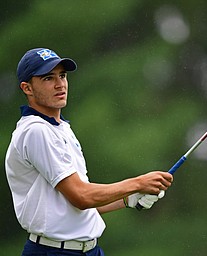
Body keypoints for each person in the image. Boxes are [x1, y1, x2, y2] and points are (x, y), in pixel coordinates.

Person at [5, 48, 173, 256]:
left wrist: (129, 198)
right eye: (48, 78)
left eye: (62, 76)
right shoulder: (36, 131)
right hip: (53, 252)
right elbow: (81, 196)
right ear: (27, 88)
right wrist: (138, 183)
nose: (60, 84)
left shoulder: (61, 128)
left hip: (90, 250)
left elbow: (79, 203)